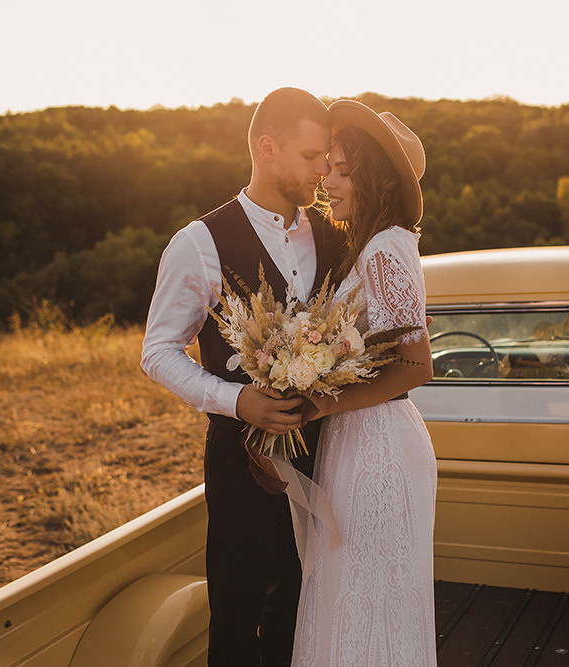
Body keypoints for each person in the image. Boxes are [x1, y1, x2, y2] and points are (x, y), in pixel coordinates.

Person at [141, 87, 346, 666]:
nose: (322, 173)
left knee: (304, 608)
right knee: (237, 613)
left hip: (326, 458)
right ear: (268, 148)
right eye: (311, 158)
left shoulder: (334, 237)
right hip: (240, 462)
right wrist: (234, 400)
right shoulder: (198, 243)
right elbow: (157, 351)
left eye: (327, 160)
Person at [290, 100, 438, 666]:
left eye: (342, 171)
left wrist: (317, 405)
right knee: (356, 600)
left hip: (378, 448)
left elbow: (415, 365)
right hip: (360, 439)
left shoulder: (383, 250)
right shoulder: (376, 246)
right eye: (327, 167)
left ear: (373, 178)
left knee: (371, 603)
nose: (327, 182)